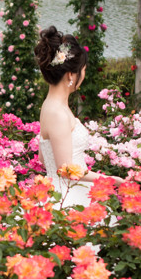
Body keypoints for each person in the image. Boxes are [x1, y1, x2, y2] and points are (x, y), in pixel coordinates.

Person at [34, 26, 120, 209]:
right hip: (68, 198)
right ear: (72, 75)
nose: (84, 75)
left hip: (62, 192)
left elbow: (43, 157)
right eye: (83, 70)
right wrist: (111, 180)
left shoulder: (49, 106)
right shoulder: (58, 112)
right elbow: (65, 169)